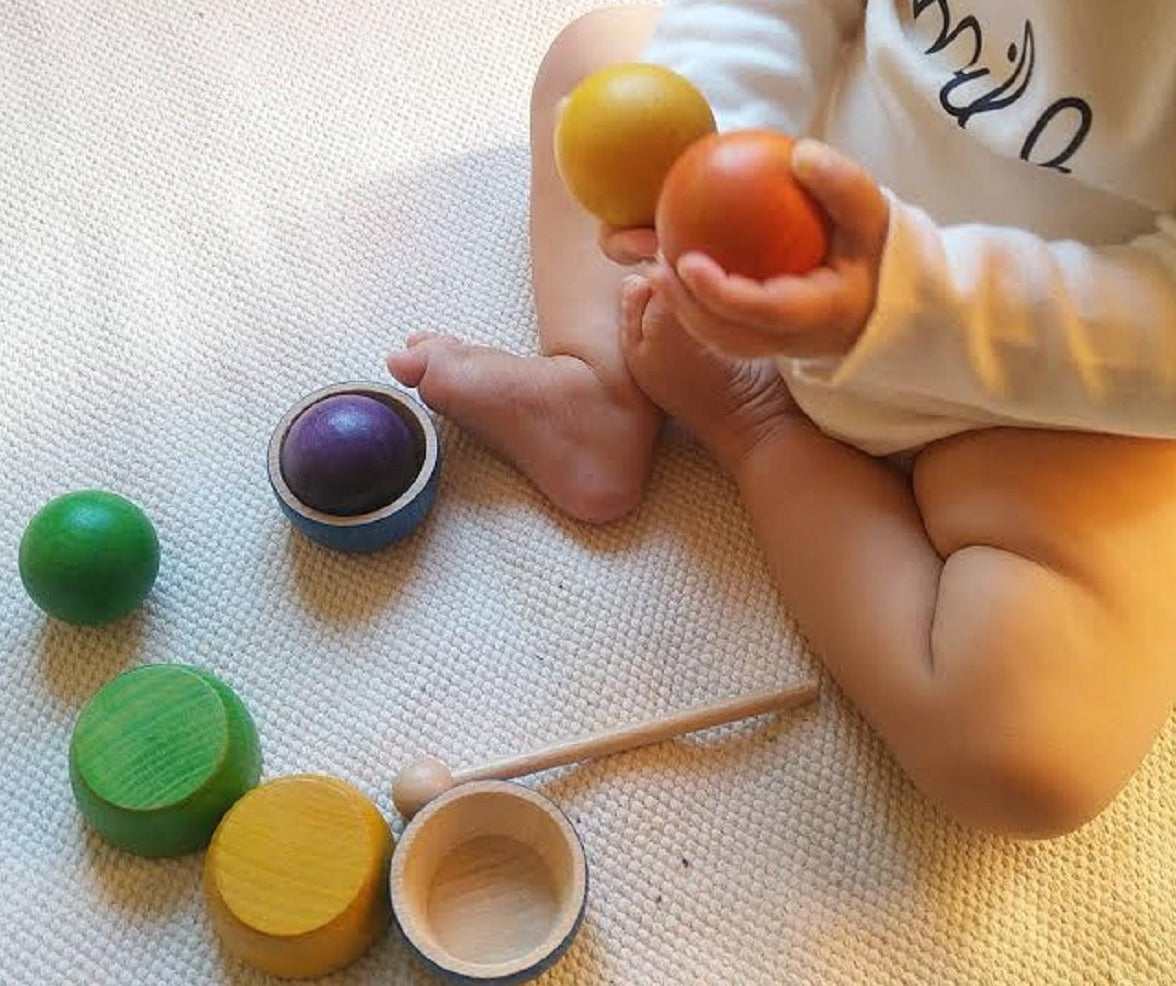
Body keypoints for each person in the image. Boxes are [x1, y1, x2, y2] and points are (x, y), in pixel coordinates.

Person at [387, 1, 1176, 838]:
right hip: (804, 175)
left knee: (1028, 749)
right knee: (598, 62)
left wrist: (909, 305)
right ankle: (596, 382)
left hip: (1047, 380)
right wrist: (715, 147)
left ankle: (756, 421)